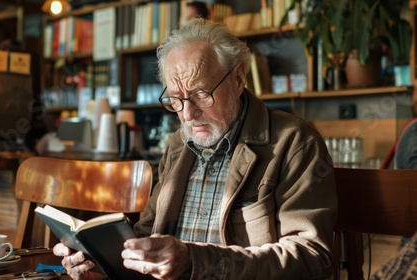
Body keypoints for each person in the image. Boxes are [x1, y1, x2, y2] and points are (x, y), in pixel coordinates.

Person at [54, 18, 337, 280]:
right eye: (176, 99)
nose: (188, 114)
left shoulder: (294, 141)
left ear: (238, 79)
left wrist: (196, 261)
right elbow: (147, 234)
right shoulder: (179, 143)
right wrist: (104, 264)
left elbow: (312, 256)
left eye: (201, 94)